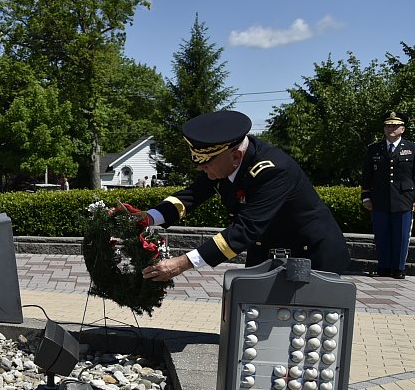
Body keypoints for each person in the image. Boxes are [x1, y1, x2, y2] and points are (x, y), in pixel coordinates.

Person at [139, 110, 350, 282]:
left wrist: (182, 263)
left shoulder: (274, 171)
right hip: (268, 252)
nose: (201, 170)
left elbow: (245, 229)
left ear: (236, 156)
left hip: (311, 257)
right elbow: (192, 195)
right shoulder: (224, 162)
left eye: (206, 164)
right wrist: (147, 218)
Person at [361, 111, 414, 278]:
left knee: (401, 235)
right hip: (380, 199)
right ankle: (383, 267)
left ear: (402, 129)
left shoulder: (412, 148)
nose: (391, 128)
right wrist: (366, 196)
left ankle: (398, 269)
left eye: (395, 126)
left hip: (404, 199)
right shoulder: (374, 149)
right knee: (382, 235)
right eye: (388, 125)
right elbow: (367, 175)